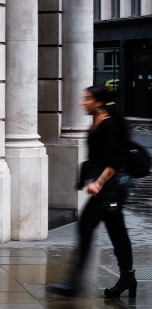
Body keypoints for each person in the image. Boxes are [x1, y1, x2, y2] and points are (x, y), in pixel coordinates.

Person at [49, 86, 136, 298]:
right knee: (115, 233)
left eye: (87, 99)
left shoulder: (109, 125)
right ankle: (127, 277)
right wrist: (84, 177)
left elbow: (115, 160)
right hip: (106, 190)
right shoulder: (97, 123)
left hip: (110, 190)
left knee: (92, 229)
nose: (83, 102)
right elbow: (98, 157)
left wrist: (98, 183)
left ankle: (75, 282)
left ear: (98, 103)